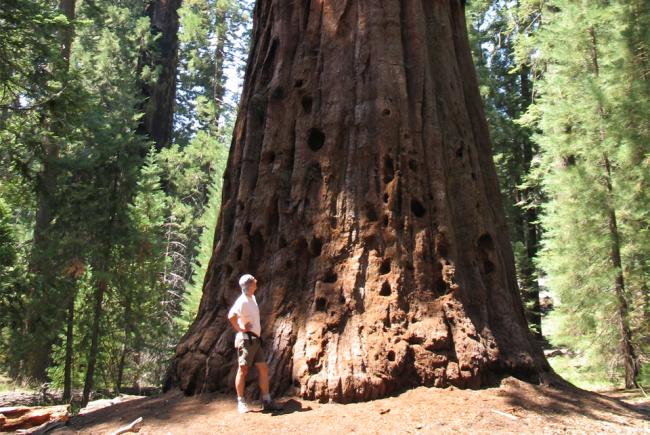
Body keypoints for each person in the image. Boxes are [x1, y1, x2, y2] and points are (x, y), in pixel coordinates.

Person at [228, 274, 282, 413]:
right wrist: (240, 329)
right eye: (254, 281)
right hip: (246, 340)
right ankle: (241, 401)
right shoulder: (242, 301)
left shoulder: (252, 298)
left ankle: (266, 400)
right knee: (243, 369)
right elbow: (231, 316)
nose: (256, 282)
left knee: (263, 368)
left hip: (255, 340)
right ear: (250, 285)